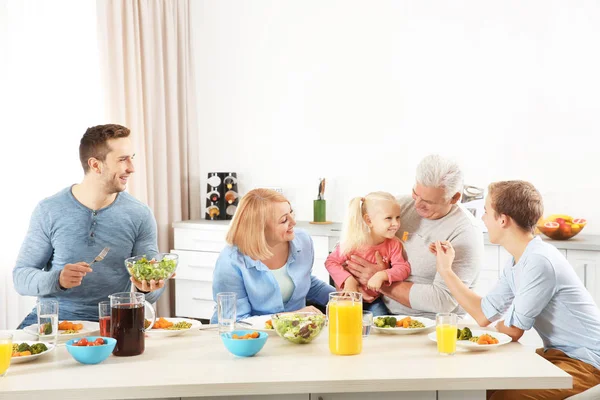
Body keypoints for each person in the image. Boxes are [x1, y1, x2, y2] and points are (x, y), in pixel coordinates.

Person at [432, 180, 600, 400]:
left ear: (503, 220)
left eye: (485, 212)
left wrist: (485, 333)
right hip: (557, 355)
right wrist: (446, 271)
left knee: (504, 397)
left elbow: (512, 331)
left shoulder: (539, 261)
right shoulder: (518, 260)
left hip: (586, 364)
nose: (482, 219)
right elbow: (483, 314)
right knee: (486, 384)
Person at [13, 124, 166, 328]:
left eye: (132, 157)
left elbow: (152, 292)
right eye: (122, 159)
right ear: (95, 165)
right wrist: (57, 279)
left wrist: (146, 287)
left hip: (114, 322)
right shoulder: (49, 210)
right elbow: (21, 277)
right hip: (54, 321)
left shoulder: (140, 214)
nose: (131, 167)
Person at [343, 154, 483, 319]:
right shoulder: (399, 206)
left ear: (454, 198)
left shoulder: (465, 232)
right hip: (380, 313)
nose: (417, 204)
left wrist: (381, 281)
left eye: (428, 202)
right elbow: (353, 248)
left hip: (432, 324)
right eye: (416, 194)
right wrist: (351, 282)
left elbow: (442, 300)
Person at [211, 189, 335, 322]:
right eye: (283, 220)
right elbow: (235, 322)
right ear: (259, 229)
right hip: (249, 339)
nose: (293, 222)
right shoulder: (230, 262)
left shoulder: (302, 241)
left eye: (291, 212)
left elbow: (304, 282)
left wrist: (340, 297)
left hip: (294, 335)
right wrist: (293, 317)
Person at [325, 192, 410, 316]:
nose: (396, 223)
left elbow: (403, 268)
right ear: (369, 220)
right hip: (348, 300)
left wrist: (382, 275)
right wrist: (348, 280)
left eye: (398, 217)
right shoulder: (352, 243)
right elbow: (331, 262)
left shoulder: (393, 244)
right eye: (389, 218)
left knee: (379, 324)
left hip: (374, 302)